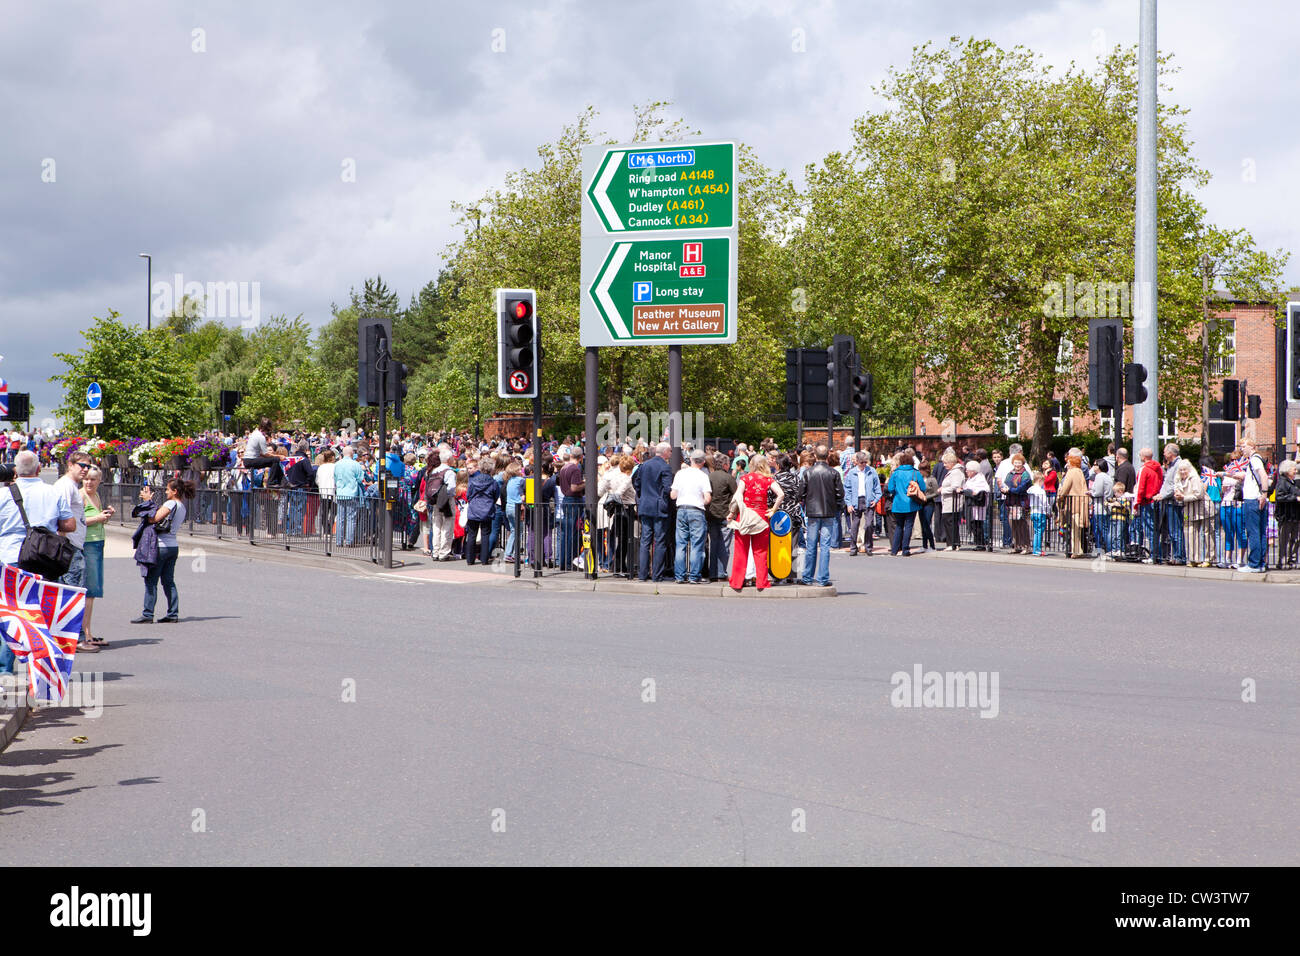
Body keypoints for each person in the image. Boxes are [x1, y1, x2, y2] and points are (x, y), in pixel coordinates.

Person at [0, 451, 78, 675]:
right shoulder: (51, 492)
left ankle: (5, 669)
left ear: (15, 471)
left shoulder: (4, 495)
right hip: (43, 558)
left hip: (11, 558)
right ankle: (43, 667)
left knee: (11, 612)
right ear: (39, 469)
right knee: (41, 612)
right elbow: (69, 524)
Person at [132, 476, 194, 624]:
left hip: (161, 546)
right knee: (168, 581)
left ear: (175, 491)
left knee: (151, 581)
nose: (166, 492)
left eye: (167, 489)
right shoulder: (182, 506)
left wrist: (148, 501)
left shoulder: (171, 503)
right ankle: (173, 613)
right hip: (173, 546)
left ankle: (148, 614)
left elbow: (154, 519)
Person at [729, 454, 783, 591]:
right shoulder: (768, 479)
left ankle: (737, 581)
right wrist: (773, 510)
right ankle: (761, 582)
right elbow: (781, 494)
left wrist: (732, 513)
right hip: (761, 518)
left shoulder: (745, 478)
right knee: (760, 552)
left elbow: (738, 496)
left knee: (741, 550)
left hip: (745, 516)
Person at [80, 465, 114, 648]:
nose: (88, 482)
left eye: (93, 479)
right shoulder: (81, 496)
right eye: (86, 478)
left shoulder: (96, 496)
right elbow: (76, 521)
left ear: (99, 481)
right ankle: (85, 634)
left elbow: (97, 519)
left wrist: (105, 516)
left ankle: (87, 632)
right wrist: (98, 518)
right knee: (89, 591)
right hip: (87, 544)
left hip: (98, 542)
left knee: (92, 592)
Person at [800, 445, 844, 585]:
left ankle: (807, 577)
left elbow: (801, 493)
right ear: (827, 456)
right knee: (825, 546)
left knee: (811, 545)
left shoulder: (808, 472)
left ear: (815, 456)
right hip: (828, 512)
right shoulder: (833, 473)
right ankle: (822, 578)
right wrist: (836, 506)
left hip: (812, 512)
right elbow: (840, 494)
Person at [633, 442, 673, 582]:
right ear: (665, 452)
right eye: (670, 451)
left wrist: (642, 496)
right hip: (659, 507)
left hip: (645, 505)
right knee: (659, 541)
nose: (671, 454)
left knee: (645, 541)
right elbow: (668, 489)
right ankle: (657, 575)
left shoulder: (644, 466)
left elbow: (637, 484)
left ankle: (642, 575)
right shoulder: (665, 467)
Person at [670, 449, 712, 583]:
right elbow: (708, 498)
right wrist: (700, 501)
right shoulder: (703, 476)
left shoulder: (680, 474)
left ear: (691, 460)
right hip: (696, 510)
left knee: (681, 544)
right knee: (697, 544)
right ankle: (694, 576)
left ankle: (679, 576)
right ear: (703, 462)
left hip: (681, 509)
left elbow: (673, 495)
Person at [54, 451, 92, 592]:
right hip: (69, 547)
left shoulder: (72, 486)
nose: (85, 470)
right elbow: (61, 516)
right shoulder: (65, 485)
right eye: (82, 465)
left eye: (88, 466)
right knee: (71, 594)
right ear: (70, 465)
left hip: (74, 546)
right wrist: (63, 547)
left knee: (73, 592)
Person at [1237, 439, 1271, 572]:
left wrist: (1264, 493)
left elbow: (1263, 475)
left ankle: (1254, 564)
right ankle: (1261, 563)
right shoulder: (1257, 459)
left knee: (1253, 532)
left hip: (1253, 499)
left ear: (1252, 447)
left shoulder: (1254, 459)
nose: (1242, 449)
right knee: (1261, 532)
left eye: (1243, 446)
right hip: (1258, 499)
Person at [705, 453, 738, 582]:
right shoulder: (728, 478)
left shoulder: (709, 477)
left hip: (712, 514)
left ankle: (713, 572)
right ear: (724, 465)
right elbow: (736, 495)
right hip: (725, 514)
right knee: (724, 545)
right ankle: (721, 572)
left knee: (714, 543)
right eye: (729, 463)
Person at [885, 452, 925, 556]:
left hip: (898, 503)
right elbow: (923, 488)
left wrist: (897, 493)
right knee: (908, 526)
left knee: (899, 526)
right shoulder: (915, 473)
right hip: (911, 503)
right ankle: (905, 549)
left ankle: (894, 550)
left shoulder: (896, 473)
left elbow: (890, 488)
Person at [1174, 458, 1210, 567]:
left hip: (1203, 508)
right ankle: (1194, 558)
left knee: (1207, 534)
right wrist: (1178, 497)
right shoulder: (1178, 480)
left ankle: (1208, 559)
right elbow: (1178, 495)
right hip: (1189, 509)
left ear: (1189, 469)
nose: (1182, 472)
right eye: (1180, 470)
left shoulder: (1194, 478)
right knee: (1190, 534)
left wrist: (1183, 497)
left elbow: (1198, 494)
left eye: (1184, 469)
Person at [844, 451, 881, 556]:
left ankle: (868, 546)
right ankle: (853, 547)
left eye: (865, 462)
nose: (864, 464)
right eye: (861, 462)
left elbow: (877, 487)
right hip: (856, 501)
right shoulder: (851, 473)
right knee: (855, 525)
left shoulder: (871, 471)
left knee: (869, 524)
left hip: (869, 500)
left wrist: (876, 499)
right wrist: (849, 503)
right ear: (857, 462)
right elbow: (847, 489)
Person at [1134, 447, 1164, 564]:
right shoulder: (1158, 468)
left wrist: (1136, 504)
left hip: (1147, 501)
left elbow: (1140, 488)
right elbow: (1161, 482)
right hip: (1156, 500)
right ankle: (1158, 554)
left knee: (1150, 529)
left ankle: (1153, 555)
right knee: (1155, 529)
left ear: (1144, 457)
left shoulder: (1144, 469)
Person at [1056, 453, 1089, 558]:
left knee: (1074, 528)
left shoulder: (1071, 472)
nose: (1067, 464)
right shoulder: (1080, 472)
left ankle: (1076, 551)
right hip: (1081, 502)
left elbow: (1066, 487)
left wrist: (1060, 496)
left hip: (1072, 503)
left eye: (1068, 462)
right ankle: (1078, 549)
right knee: (1078, 529)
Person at [332, 445, 364, 548]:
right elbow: (360, 479)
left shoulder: (337, 464)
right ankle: (349, 541)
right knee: (351, 518)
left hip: (340, 493)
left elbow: (335, 478)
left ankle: (339, 541)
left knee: (340, 518)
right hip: (352, 493)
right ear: (352, 454)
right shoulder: (355, 464)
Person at [1273, 459, 1299, 569]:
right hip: (1286, 515)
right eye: (1294, 469)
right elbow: (1279, 497)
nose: (1295, 471)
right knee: (1284, 539)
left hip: (1295, 515)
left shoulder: (1294, 483)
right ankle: (1282, 560)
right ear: (1287, 470)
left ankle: (1291, 560)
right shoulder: (1282, 482)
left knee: (1296, 538)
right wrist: (1295, 498)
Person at [1003, 454, 1032, 553]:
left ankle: (1026, 546)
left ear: (1022, 463)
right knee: (1013, 524)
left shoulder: (1025, 474)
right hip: (1011, 502)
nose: (1017, 465)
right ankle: (1017, 545)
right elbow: (1005, 483)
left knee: (1022, 525)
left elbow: (1021, 488)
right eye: (1015, 462)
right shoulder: (1010, 473)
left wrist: (1009, 490)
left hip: (1021, 502)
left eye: (1019, 463)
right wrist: (1004, 489)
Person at [961, 460, 991, 551]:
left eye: (968, 470)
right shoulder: (971, 478)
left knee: (978, 525)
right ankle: (978, 542)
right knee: (974, 524)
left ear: (973, 471)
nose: (966, 472)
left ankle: (981, 544)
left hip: (978, 506)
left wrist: (967, 491)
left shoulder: (979, 478)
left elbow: (981, 490)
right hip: (972, 504)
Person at [939, 451, 965, 550]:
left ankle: (952, 544)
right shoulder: (953, 471)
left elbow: (956, 487)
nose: (944, 465)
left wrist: (943, 490)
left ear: (951, 462)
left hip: (953, 501)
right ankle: (953, 543)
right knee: (949, 522)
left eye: (945, 463)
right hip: (949, 501)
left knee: (950, 523)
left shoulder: (956, 472)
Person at [1028, 471, 1049, 555]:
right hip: (1040, 512)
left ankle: (1035, 549)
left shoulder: (1030, 489)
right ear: (1040, 480)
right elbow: (1045, 503)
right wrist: (1048, 510)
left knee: (1036, 531)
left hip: (1033, 511)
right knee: (1040, 531)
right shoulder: (1041, 491)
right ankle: (1038, 549)